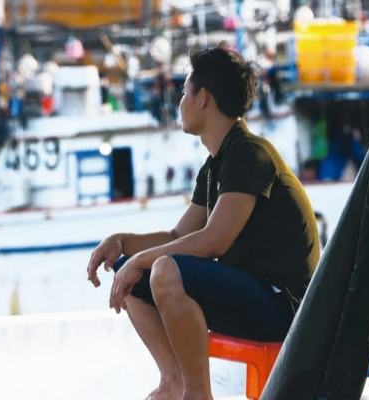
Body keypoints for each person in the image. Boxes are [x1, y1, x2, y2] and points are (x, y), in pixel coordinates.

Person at [86, 45, 320, 400]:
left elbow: (213, 241)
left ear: (203, 98)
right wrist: (121, 243)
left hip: (285, 306)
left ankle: (197, 395)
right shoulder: (215, 165)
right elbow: (178, 234)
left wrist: (141, 260)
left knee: (164, 270)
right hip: (253, 296)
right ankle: (174, 382)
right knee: (130, 272)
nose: (180, 102)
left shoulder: (249, 154)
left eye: (184, 93)